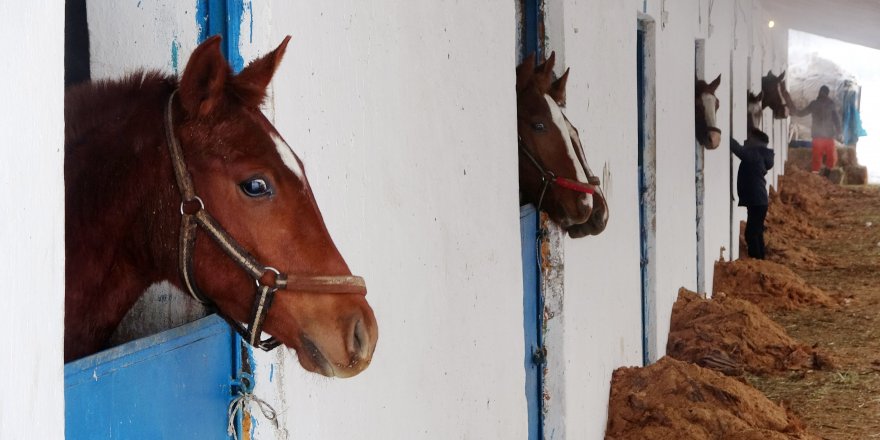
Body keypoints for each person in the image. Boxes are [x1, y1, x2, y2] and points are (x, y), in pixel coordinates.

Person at [731, 129, 774, 259]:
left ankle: (756, 260)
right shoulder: (761, 154)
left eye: (749, 139)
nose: (746, 141)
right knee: (756, 232)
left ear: (755, 141)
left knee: (751, 233)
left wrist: (724, 133)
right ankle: (761, 260)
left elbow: (739, 150)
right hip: (758, 201)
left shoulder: (755, 154)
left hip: (757, 201)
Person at [792, 85, 841, 173]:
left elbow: (801, 113)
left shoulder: (822, 104)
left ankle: (822, 175)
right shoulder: (822, 104)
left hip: (822, 136)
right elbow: (836, 120)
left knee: (819, 158)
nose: (822, 95)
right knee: (827, 158)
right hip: (822, 136)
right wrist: (839, 132)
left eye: (823, 93)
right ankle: (821, 175)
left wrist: (793, 110)